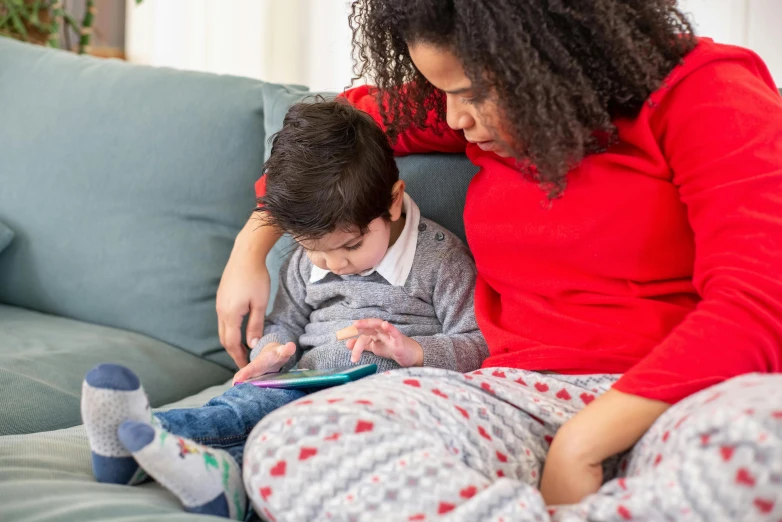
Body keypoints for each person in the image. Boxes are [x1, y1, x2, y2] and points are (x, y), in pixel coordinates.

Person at [218, 1, 782, 521]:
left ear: (546, 58)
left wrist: (583, 443)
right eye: (441, 91)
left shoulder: (710, 91)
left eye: (468, 91)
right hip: (520, 393)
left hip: (685, 397)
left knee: (763, 439)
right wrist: (255, 240)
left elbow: (757, 302)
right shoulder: (475, 115)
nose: (453, 117)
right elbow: (332, 136)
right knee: (290, 443)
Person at [79, 100, 487, 520]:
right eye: (315, 251)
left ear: (394, 202)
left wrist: (413, 351)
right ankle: (140, 441)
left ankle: (181, 459)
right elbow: (285, 322)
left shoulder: (441, 262)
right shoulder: (303, 261)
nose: (334, 264)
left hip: (379, 397)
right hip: (304, 379)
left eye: (350, 246)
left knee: (309, 440)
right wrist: (271, 352)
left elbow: (480, 344)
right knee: (243, 407)